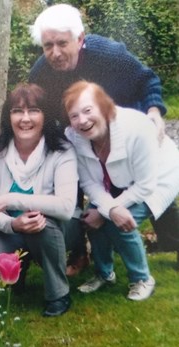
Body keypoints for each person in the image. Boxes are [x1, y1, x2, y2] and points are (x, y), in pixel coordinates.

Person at [29, 3, 170, 277]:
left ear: (80, 39)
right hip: (80, 134)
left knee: (151, 185)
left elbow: (147, 80)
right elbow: (42, 112)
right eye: (47, 46)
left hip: (127, 128)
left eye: (61, 43)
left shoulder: (108, 54)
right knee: (76, 185)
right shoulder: (40, 73)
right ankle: (81, 253)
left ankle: (172, 244)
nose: (55, 53)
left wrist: (154, 112)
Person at [63, 80, 179, 300]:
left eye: (88, 110)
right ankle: (104, 274)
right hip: (115, 182)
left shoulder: (138, 128)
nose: (82, 121)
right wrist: (107, 208)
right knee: (91, 219)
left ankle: (142, 279)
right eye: (74, 115)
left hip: (158, 177)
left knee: (121, 224)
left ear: (105, 107)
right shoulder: (75, 136)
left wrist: (111, 210)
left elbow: (145, 185)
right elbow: (89, 182)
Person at [0, 83, 78, 317]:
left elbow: (66, 207)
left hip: (57, 228)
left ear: (45, 115)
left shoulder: (62, 151)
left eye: (34, 110)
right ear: (8, 117)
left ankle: (58, 294)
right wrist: (12, 224)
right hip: (12, 229)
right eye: (17, 111)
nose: (25, 119)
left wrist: (13, 199)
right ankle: (17, 269)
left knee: (42, 224)